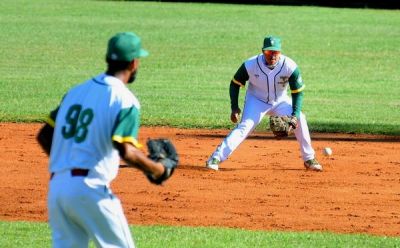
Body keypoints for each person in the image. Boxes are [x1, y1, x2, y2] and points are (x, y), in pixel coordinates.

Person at [37, 32, 177, 247]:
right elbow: (126, 152)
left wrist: (67, 162)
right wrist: (158, 170)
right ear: (134, 62)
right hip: (90, 189)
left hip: (57, 189)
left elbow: (44, 134)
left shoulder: (76, 91)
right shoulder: (125, 99)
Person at [206, 35, 322, 172]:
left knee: (301, 119)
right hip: (256, 101)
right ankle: (216, 158)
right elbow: (235, 84)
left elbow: (298, 92)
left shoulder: (290, 66)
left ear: (280, 52)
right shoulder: (250, 64)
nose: (272, 55)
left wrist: (295, 115)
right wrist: (234, 107)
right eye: (268, 52)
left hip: (281, 101)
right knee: (244, 127)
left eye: (275, 52)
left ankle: (309, 158)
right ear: (263, 51)